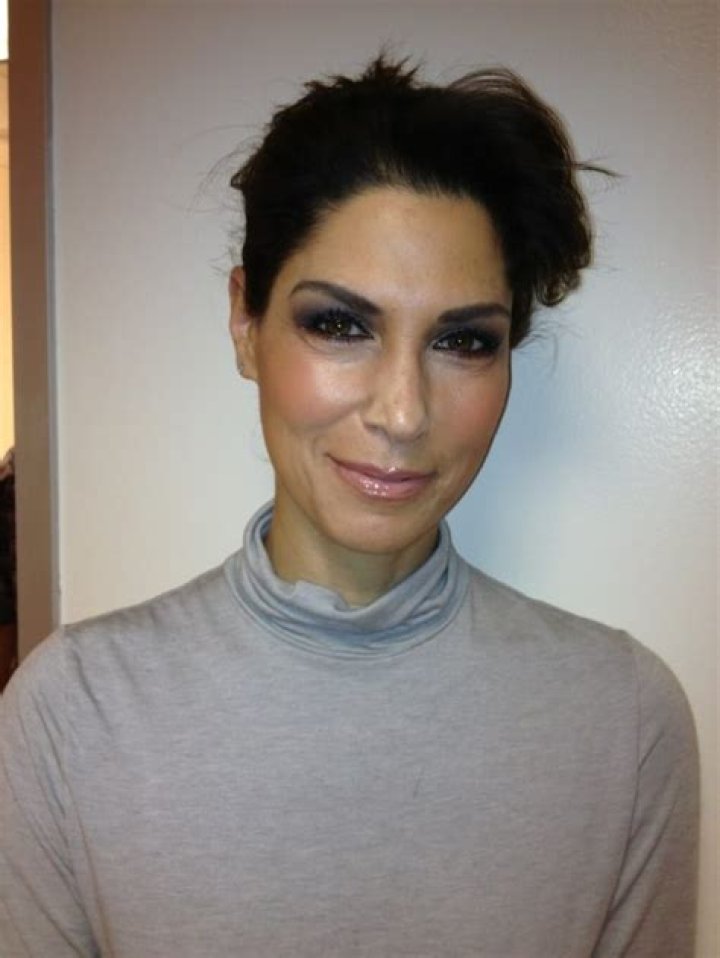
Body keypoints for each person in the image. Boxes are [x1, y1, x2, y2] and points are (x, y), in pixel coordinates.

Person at [0, 56, 699, 957]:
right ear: (246, 324)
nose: (402, 413)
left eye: (463, 341)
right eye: (339, 324)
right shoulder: (72, 713)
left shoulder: (625, 723)